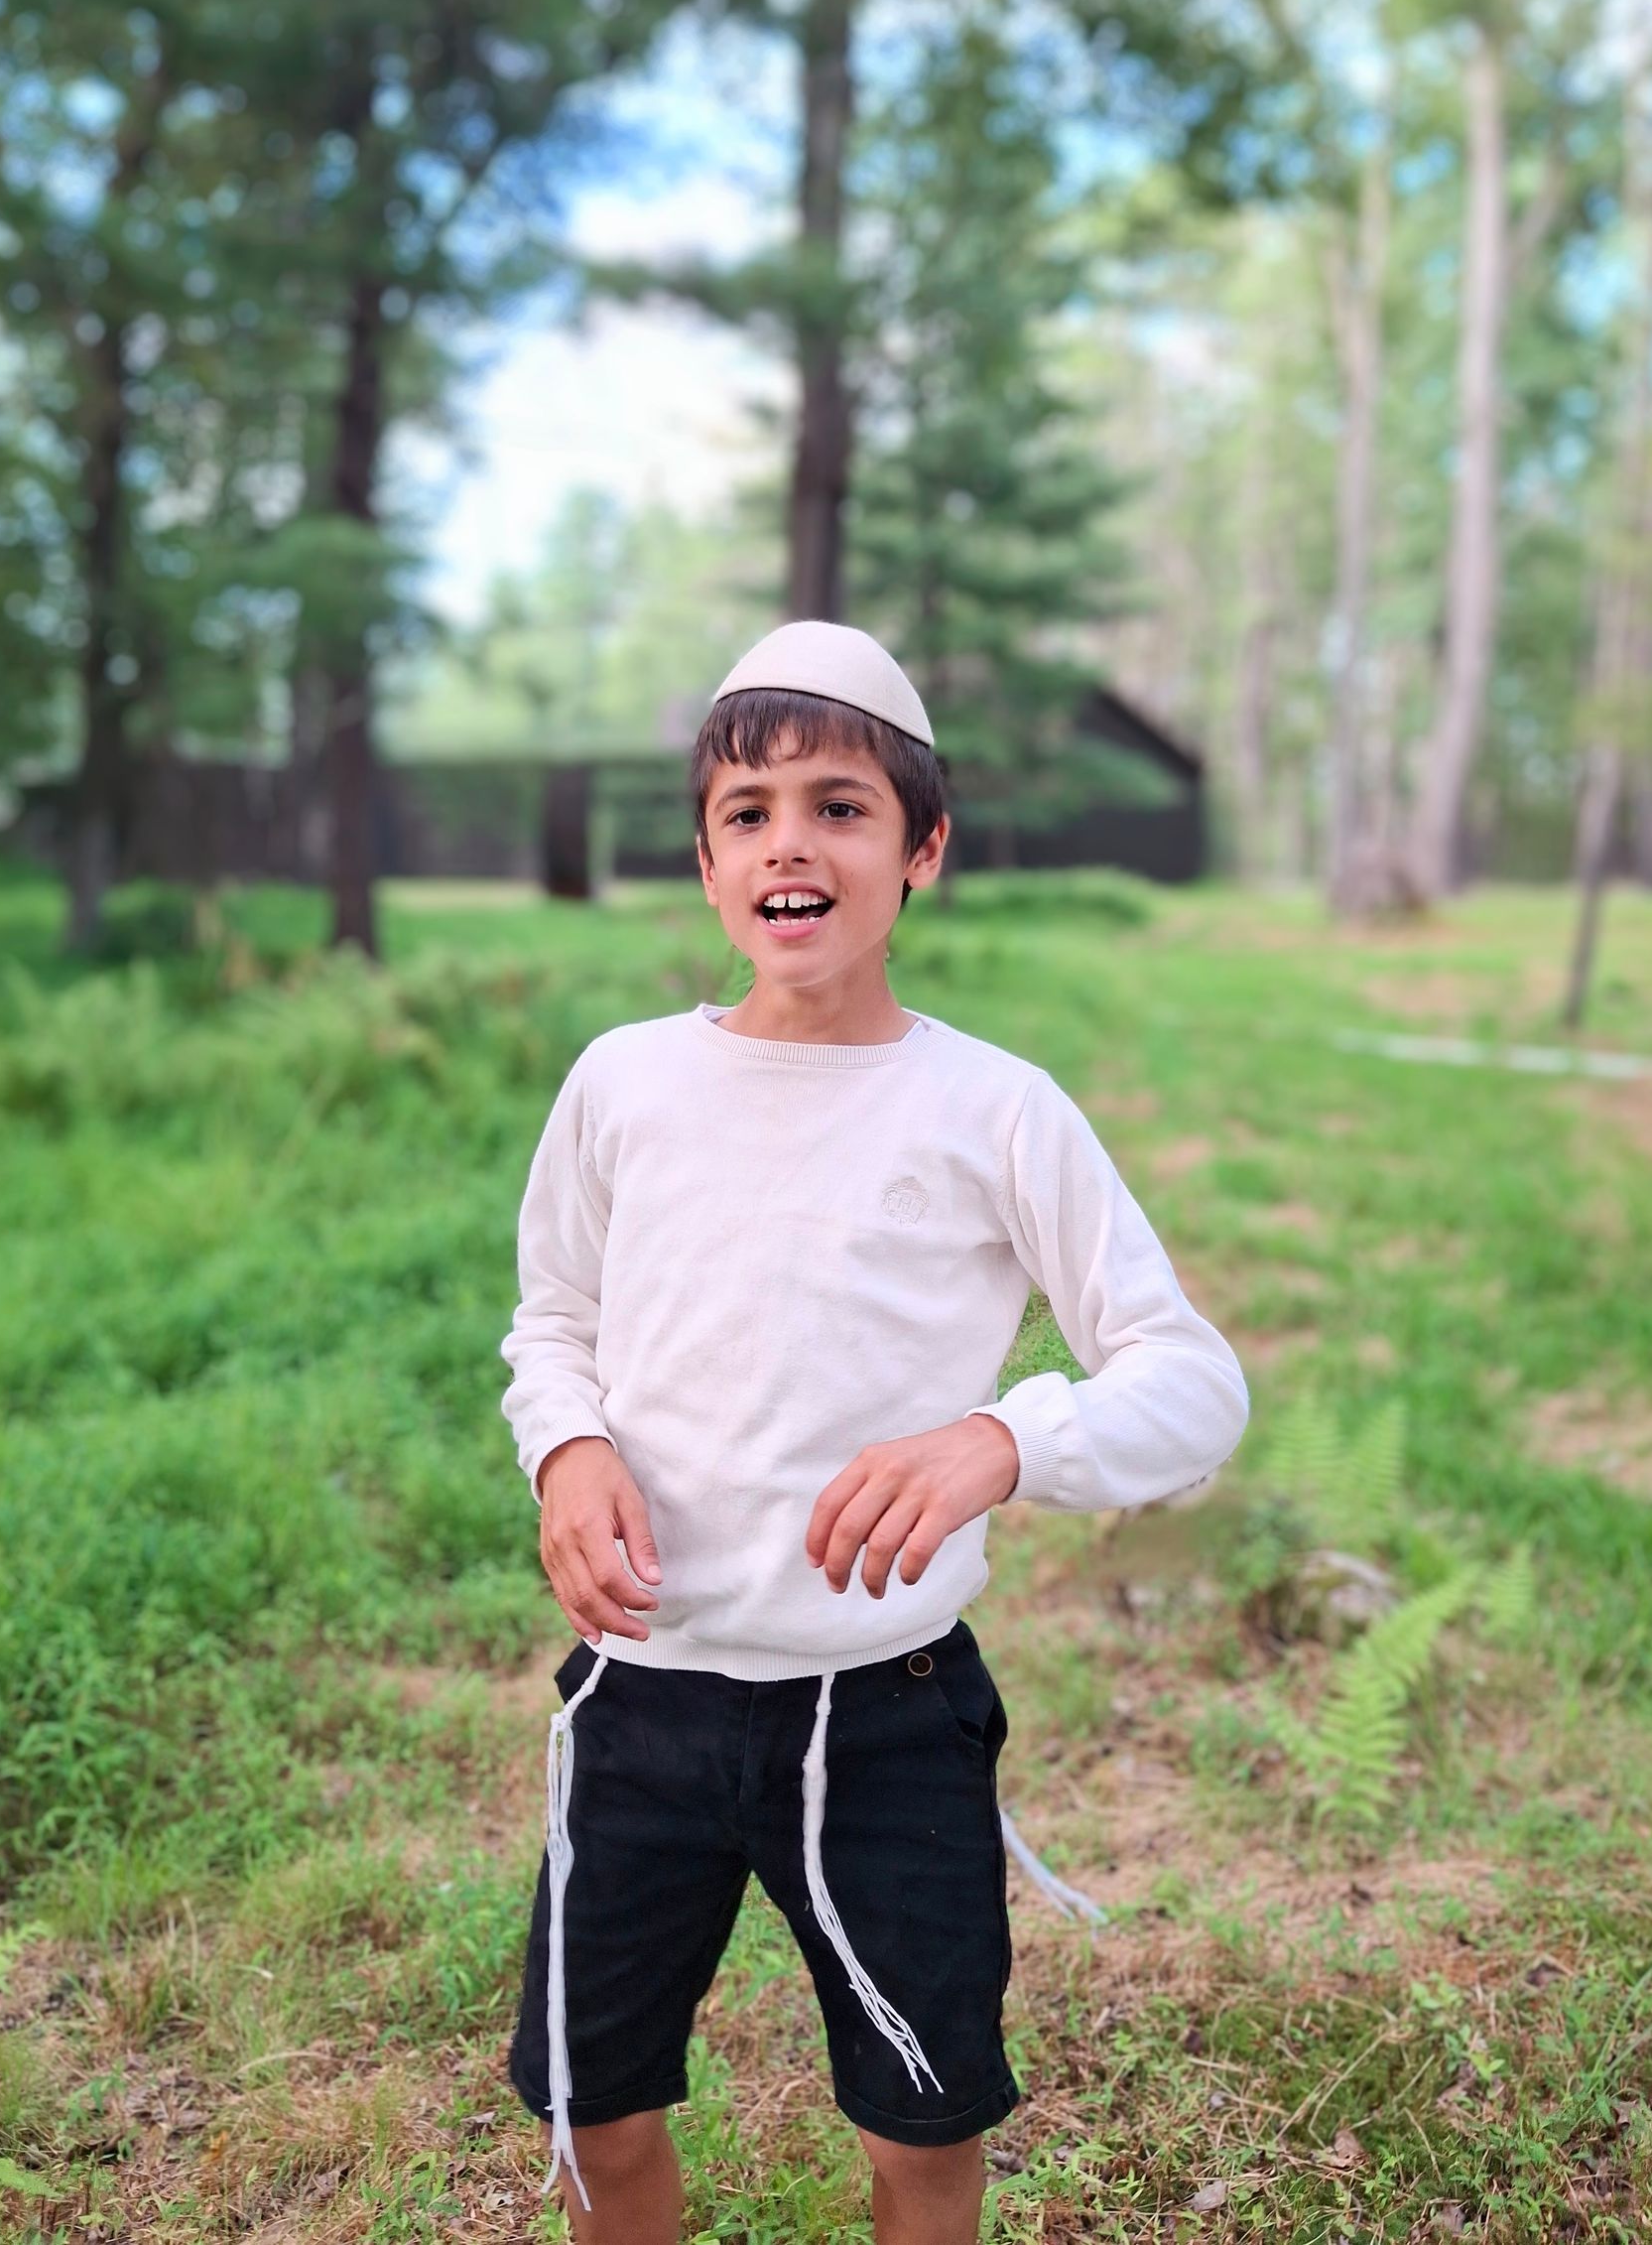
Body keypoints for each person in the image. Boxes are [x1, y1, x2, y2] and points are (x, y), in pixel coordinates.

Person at [499, 621, 1248, 2244]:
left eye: (840, 806)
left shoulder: (995, 1107)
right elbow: (551, 1317)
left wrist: (1003, 1439)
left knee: (922, 2133)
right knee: (595, 2106)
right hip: (643, 1696)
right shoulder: (624, 1083)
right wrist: (567, 1447)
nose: (793, 843)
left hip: (885, 1707)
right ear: (707, 862)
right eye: (750, 811)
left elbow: (1193, 1378)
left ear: (924, 848)